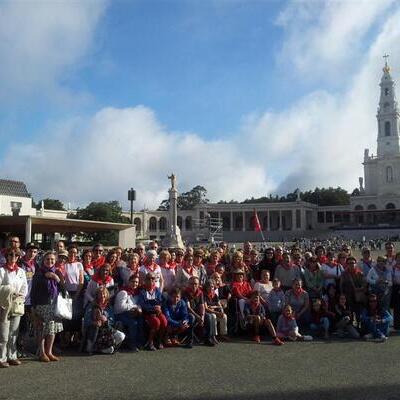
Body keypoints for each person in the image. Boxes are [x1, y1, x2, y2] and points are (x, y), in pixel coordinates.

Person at [31, 251, 64, 362]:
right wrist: (33, 308)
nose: (50, 261)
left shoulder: (57, 272)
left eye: (52, 260)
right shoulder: (38, 274)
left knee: (52, 329)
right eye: (47, 259)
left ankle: (49, 352)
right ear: (43, 261)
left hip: (54, 305)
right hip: (42, 305)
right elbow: (33, 292)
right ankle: (42, 352)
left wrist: (56, 278)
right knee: (42, 329)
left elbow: (63, 289)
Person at [0, 249, 27, 368]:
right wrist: (10, 291)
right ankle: (2, 357)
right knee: (4, 332)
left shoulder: (21, 271)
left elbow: (24, 287)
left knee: (14, 331)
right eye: (11, 254)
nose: (14, 257)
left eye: (16, 255)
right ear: (6, 256)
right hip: (4, 304)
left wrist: (20, 296)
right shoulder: (1, 270)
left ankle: (12, 356)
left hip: (17, 303)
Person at [83, 287, 125, 354]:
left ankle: (101, 349)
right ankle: (93, 347)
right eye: (100, 294)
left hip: (107, 331)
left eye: (104, 294)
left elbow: (112, 321)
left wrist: (106, 320)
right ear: (97, 295)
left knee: (121, 336)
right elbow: (86, 321)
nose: (102, 296)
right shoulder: (91, 306)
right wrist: (94, 322)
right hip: (94, 332)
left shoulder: (109, 306)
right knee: (110, 350)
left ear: (107, 295)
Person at [17, 242, 39, 356]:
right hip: (21, 299)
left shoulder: (36, 264)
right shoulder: (20, 263)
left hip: (32, 299)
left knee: (31, 325)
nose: (32, 253)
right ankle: (18, 347)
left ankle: (26, 346)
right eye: (30, 251)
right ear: (26, 251)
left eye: (35, 252)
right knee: (21, 325)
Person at [138, 272, 167, 351]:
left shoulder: (157, 290)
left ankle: (159, 340)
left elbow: (162, 301)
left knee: (164, 322)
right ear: (145, 280)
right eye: (148, 278)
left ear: (155, 281)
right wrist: (153, 308)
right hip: (147, 313)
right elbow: (142, 304)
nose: (151, 280)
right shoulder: (142, 291)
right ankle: (150, 342)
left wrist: (159, 307)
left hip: (157, 312)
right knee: (156, 322)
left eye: (153, 278)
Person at [114, 275, 143, 352]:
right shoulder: (123, 292)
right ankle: (132, 344)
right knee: (133, 323)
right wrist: (134, 307)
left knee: (140, 320)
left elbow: (138, 304)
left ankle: (139, 342)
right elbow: (120, 307)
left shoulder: (136, 293)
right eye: (133, 282)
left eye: (136, 282)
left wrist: (138, 308)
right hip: (120, 314)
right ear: (129, 282)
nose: (135, 284)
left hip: (130, 313)